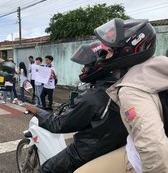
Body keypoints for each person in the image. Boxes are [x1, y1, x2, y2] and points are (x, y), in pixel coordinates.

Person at [25, 41, 128, 173]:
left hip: (84, 153)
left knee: (45, 170)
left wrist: (37, 111)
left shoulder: (93, 97)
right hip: (113, 149)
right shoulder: (124, 88)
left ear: (98, 65)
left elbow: (58, 124)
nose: (82, 69)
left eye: (85, 66)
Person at [91, 18, 168, 172]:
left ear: (129, 49)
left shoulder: (131, 89)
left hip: (142, 162)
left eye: (110, 50)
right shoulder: (159, 67)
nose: (104, 55)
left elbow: (154, 149)